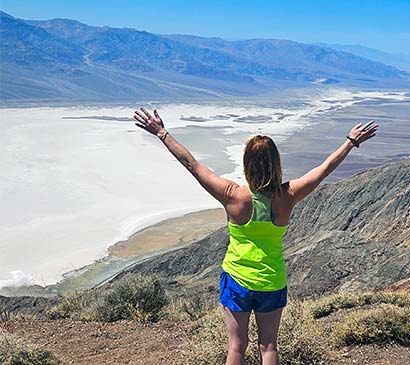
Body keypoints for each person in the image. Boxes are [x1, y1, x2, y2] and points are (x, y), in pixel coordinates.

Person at [133, 107, 378, 365]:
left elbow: (191, 164)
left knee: (236, 347)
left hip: (237, 279)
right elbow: (325, 169)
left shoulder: (232, 195)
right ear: (276, 163)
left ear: (247, 164)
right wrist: (350, 142)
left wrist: (161, 133)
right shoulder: (288, 196)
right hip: (271, 280)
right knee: (269, 346)